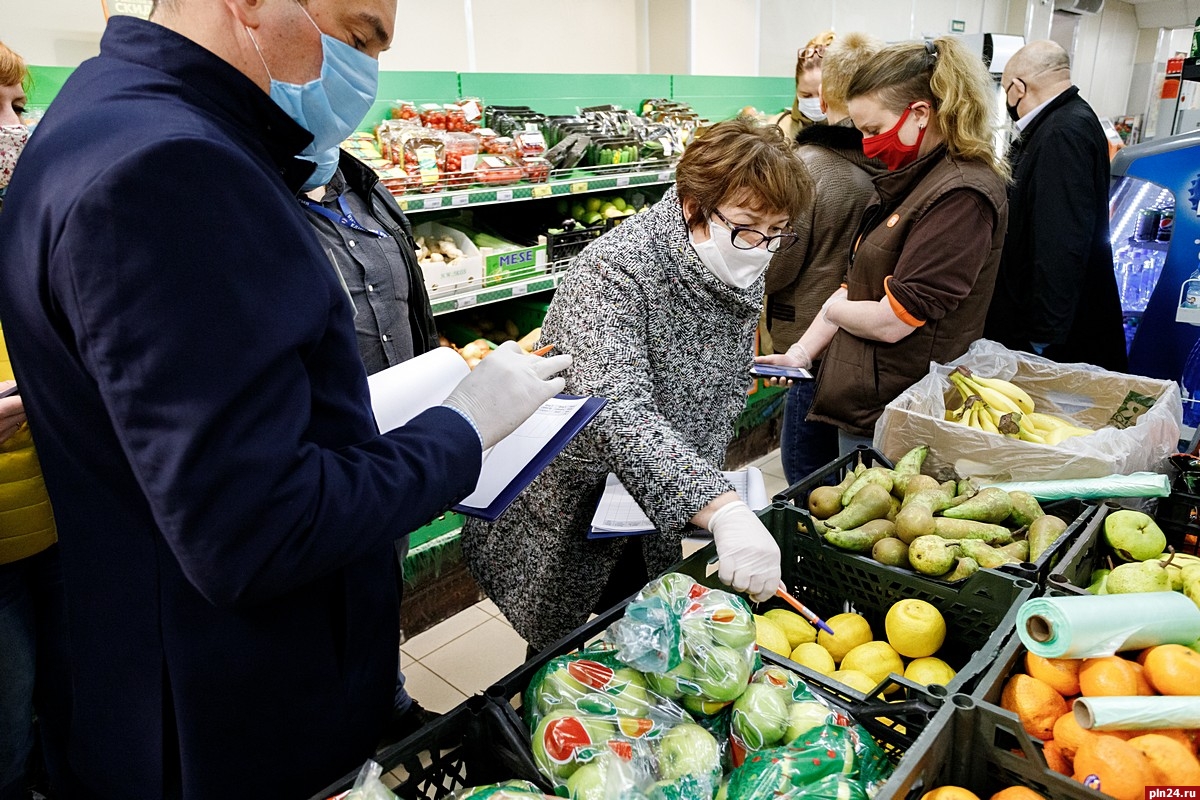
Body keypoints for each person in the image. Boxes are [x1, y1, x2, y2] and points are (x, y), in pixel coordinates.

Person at [0, 1, 569, 797]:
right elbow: (257, 529)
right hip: (225, 710)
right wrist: (461, 430)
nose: (365, 71)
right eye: (360, 34)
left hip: (140, 668)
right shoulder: (172, 170)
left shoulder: (99, 115)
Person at [462, 117, 813, 654]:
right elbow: (615, 408)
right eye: (747, 228)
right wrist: (721, 507)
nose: (761, 248)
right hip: (578, 499)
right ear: (693, 205)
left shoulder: (739, 250)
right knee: (565, 650)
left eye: (777, 232)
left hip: (660, 493)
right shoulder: (612, 271)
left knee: (641, 637)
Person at [759, 37, 1009, 453]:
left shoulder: (961, 195)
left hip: (899, 406)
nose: (869, 143)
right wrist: (801, 353)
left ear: (920, 113)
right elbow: (858, 283)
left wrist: (833, 308)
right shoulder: (913, 179)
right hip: (871, 396)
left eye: (874, 130)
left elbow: (893, 319)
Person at [301, 147, 441, 742]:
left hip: (397, 426)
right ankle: (342, 720)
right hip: (326, 444)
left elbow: (409, 301)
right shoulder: (256, 196)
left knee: (384, 570)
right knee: (330, 590)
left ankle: (386, 698)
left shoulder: (363, 183)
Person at [766, 32, 884, 485]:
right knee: (843, 479)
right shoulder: (890, 165)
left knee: (805, 474)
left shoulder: (810, 167)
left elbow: (779, 266)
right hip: (864, 346)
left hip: (809, 339)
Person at [0, 40, 68, 800]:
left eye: (16, 109)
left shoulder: (31, 236)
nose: (13, 129)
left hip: (59, 521)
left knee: (69, 703)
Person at [984, 40, 1127, 371]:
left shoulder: (1062, 133)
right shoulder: (1068, 120)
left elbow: (1059, 241)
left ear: (1018, 87)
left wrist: (1042, 338)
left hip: (1055, 336)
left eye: (1006, 90)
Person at [772, 31, 836, 141]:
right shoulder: (778, 127)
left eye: (823, 95)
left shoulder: (855, 130)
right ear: (797, 89)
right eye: (806, 95)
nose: (816, 102)